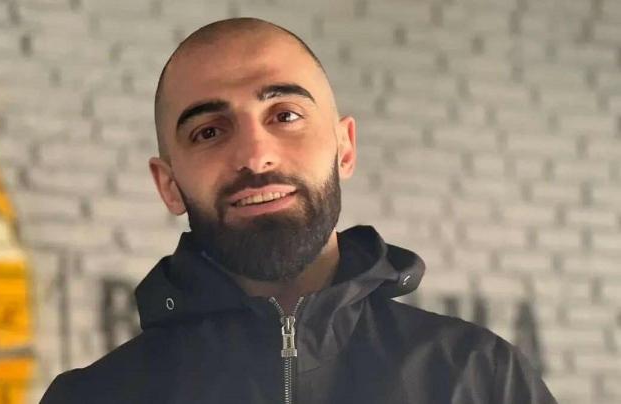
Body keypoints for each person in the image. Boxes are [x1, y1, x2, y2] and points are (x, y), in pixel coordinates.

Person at [40, 17, 557, 404]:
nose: (255, 155)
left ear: (345, 148)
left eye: (285, 115)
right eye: (209, 131)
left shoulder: (478, 376)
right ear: (169, 185)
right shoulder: (93, 397)